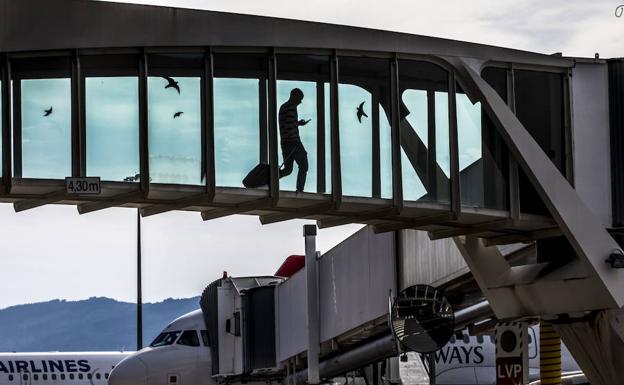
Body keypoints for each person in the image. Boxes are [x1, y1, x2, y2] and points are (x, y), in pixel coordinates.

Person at [279, 88, 310, 192]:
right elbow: (289, 126)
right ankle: (300, 189)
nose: (300, 102)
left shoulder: (283, 107)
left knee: (287, 170)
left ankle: (270, 179)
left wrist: (297, 123)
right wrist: (297, 142)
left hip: (284, 142)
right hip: (293, 141)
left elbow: (287, 124)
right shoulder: (291, 108)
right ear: (294, 96)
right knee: (304, 165)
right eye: (300, 99)